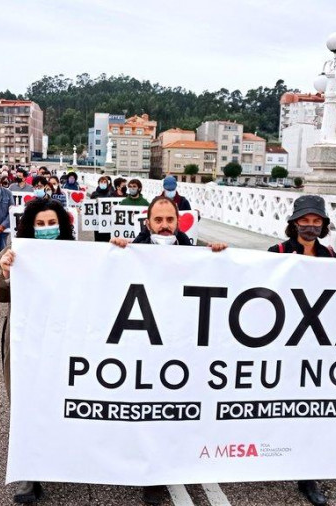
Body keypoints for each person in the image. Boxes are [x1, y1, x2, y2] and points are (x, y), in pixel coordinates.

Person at [110, 196, 226, 505]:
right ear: (147, 222)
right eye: (158, 220)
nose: (164, 226)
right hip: (148, 347)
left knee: (180, 410)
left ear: (178, 222)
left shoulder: (195, 254)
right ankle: (152, 476)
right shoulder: (131, 252)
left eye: (169, 220)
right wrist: (115, 254)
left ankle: (178, 463)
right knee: (150, 411)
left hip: (183, 346)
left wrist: (217, 257)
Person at [0, 198, 76, 504]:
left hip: (68, 339)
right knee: (25, 401)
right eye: (40, 224)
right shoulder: (16, 251)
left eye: (52, 224)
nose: (47, 229)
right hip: (26, 339)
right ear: (30, 227)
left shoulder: (78, 255)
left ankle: (63, 458)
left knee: (62, 399)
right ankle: (27, 475)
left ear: (62, 226)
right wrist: (6, 272)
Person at [268, 194, 334, 506]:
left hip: (315, 344)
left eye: (315, 221)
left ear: (323, 225)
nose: (310, 226)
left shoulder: (330, 255)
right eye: (304, 221)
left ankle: (307, 477)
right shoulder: (277, 252)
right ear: (294, 223)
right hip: (283, 341)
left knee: (309, 409)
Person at [90, 175, 117, 243]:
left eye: (105, 182)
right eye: (101, 182)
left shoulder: (111, 194)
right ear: (98, 183)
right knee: (98, 240)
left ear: (107, 184)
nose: (103, 183)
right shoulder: (94, 194)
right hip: (98, 221)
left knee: (108, 240)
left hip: (108, 221)